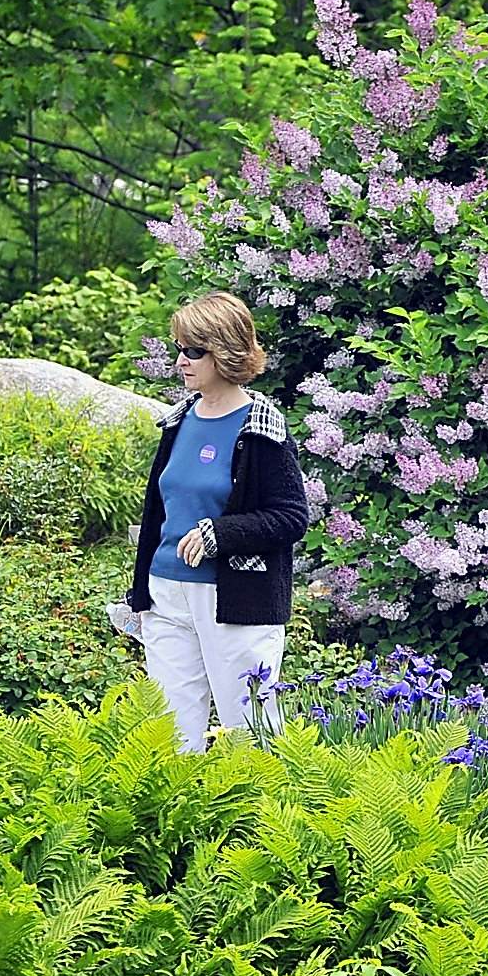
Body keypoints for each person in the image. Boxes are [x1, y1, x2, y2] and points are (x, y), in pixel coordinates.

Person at [126, 291, 309, 752]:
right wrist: (141, 591)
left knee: (250, 734)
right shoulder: (178, 421)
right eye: (179, 349)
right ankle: (182, 820)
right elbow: (158, 515)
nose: (180, 361)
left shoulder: (260, 426)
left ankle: (259, 821)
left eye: (193, 351)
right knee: (169, 734)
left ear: (225, 352)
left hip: (235, 598)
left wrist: (218, 535)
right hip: (166, 593)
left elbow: (290, 517)